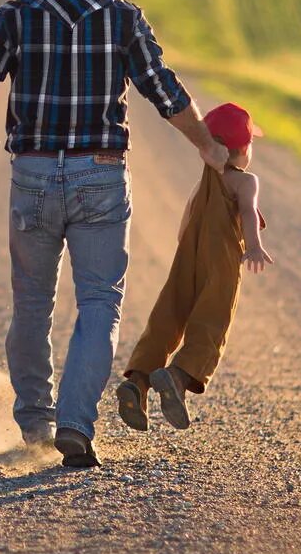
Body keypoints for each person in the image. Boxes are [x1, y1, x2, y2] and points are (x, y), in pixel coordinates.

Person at [0, 0, 225, 468]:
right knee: (99, 303)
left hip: (31, 176)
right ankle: (77, 424)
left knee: (32, 303)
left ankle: (36, 422)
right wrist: (207, 146)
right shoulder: (123, 16)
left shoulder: (15, 17)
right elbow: (166, 91)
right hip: (100, 174)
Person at [117, 101, 273, 432]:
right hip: (222, 263)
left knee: (168, 316)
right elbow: (247, 212)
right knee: (211, 320)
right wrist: (255, 246)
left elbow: (185, 223)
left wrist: (187, 253)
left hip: (186, 258)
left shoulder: (200, 184)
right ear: (242, 150)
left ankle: (138, 381)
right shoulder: (245, 182)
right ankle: (178, 375)